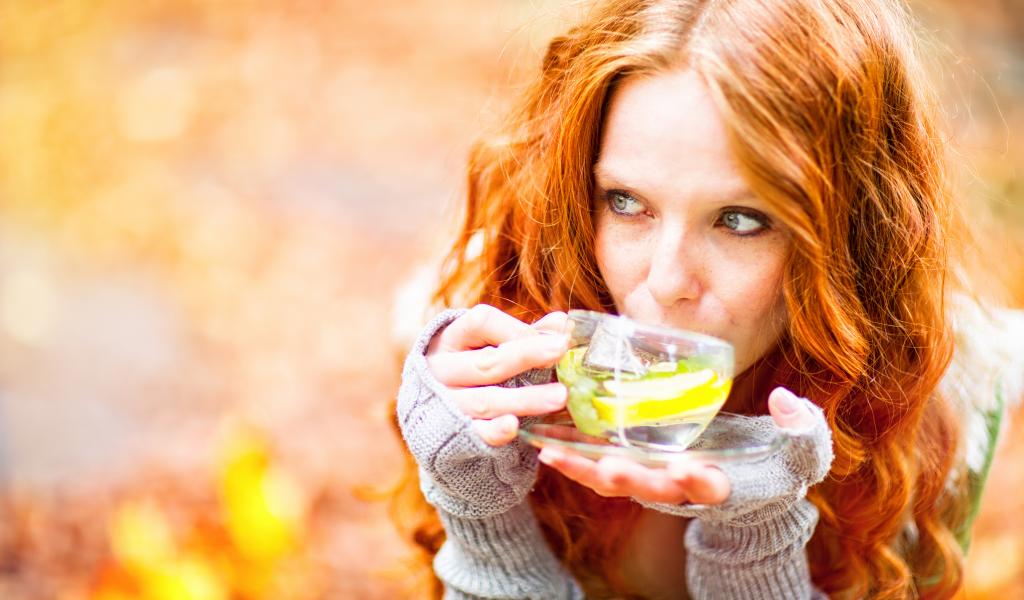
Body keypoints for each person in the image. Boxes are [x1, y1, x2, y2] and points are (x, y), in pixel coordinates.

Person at [389, 0, 1023, 597]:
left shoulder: (937, 409)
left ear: (852, 237)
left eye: (740, 220)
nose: (667, 281)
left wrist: (756, 546)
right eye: (626, 202)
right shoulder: (483, 357)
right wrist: (484, 524)